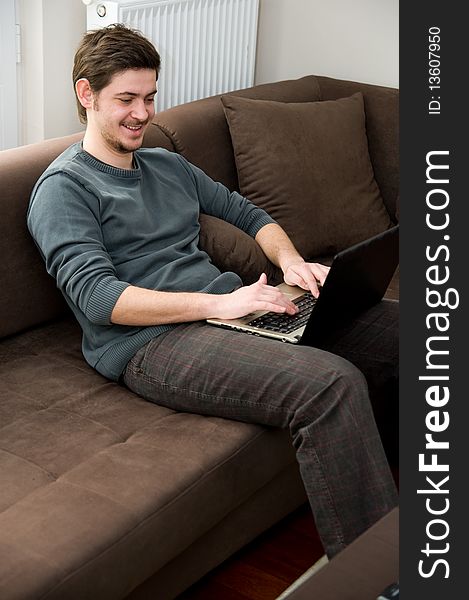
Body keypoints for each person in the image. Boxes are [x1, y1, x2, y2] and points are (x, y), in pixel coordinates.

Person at [27, 24, 398, 558]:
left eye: (150, 97)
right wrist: (221, 303)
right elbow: (100, 300)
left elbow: (246, 213)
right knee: (329, 385)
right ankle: (381, 574)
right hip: (150, 343)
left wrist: (292, 263)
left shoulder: (166, 164)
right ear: (86, 95)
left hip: (229, 312)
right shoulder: (63, 189)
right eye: (125, 99)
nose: (142, 114)